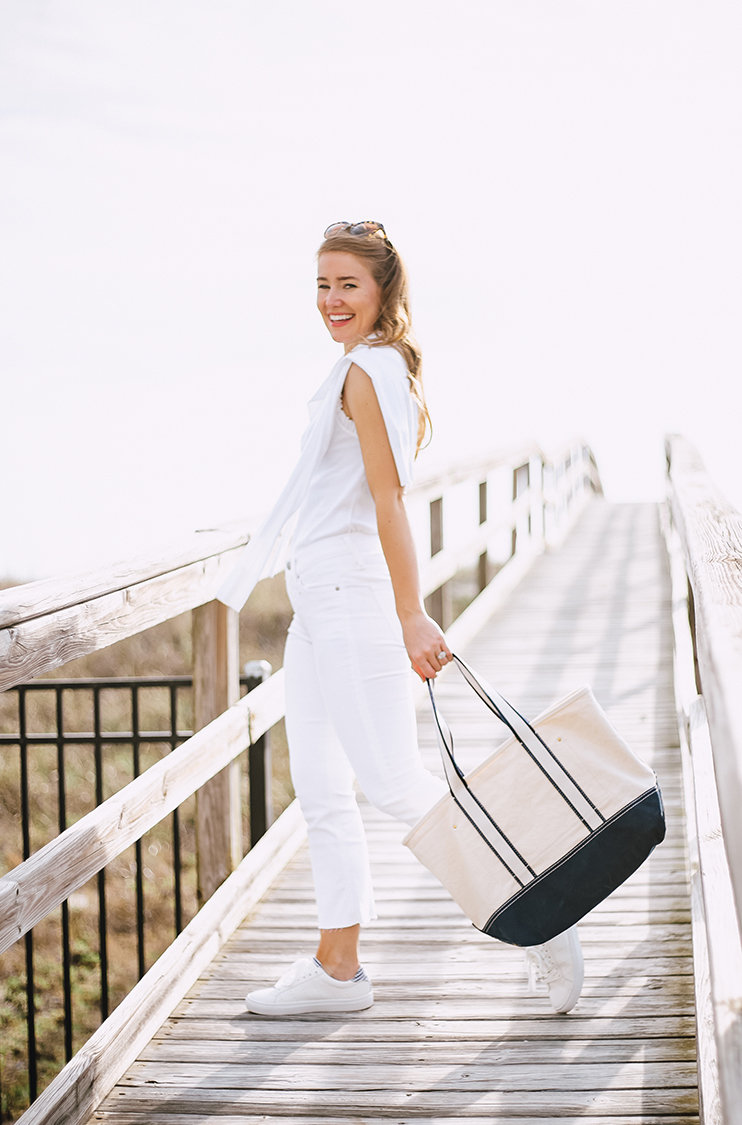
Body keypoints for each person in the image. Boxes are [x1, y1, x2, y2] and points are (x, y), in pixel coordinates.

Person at [217, 221, 583, 1016]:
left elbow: (388, 501)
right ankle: (337, 969)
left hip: (353, 601)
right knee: (319, 784)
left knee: (391, 780)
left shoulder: (366, 371)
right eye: (321, 283)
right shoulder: (362, 368)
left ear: (383, 289)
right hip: (317, 606)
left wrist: (411, 612)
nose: (331, 299)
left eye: (348, 283)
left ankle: (547, 917)